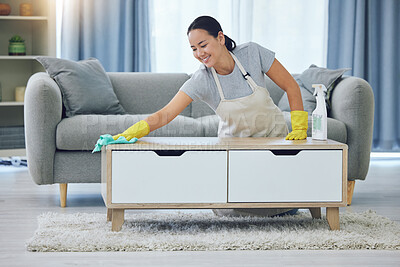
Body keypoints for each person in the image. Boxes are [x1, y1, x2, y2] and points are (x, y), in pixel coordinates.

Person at [112, 16, 308, 217]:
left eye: (203, 45)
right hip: (237, 153)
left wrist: (299, 127)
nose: (199, 53)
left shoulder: (252, 53)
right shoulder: (201, 80)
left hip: (273, 143)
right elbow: (166, 114)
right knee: (233, 211)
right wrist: (131, 132)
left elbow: (291, 85)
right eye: (194, 49)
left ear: (220, 38)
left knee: (284, 205)